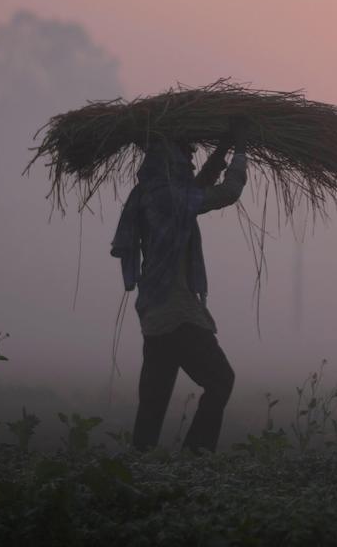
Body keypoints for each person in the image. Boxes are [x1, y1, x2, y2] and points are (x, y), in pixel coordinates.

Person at [110, 118, 249, 452]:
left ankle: (139, 472)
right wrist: (242, 149)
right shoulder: (171, 200)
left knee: (153, 404)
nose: (189, 163)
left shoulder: (152, 194)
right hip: (176, 313)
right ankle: (195, 458)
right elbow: (227, 193)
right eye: (184, 158)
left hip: (155, 314)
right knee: (220, 380)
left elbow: (197, 186)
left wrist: (224, 148)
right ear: (171, 162)